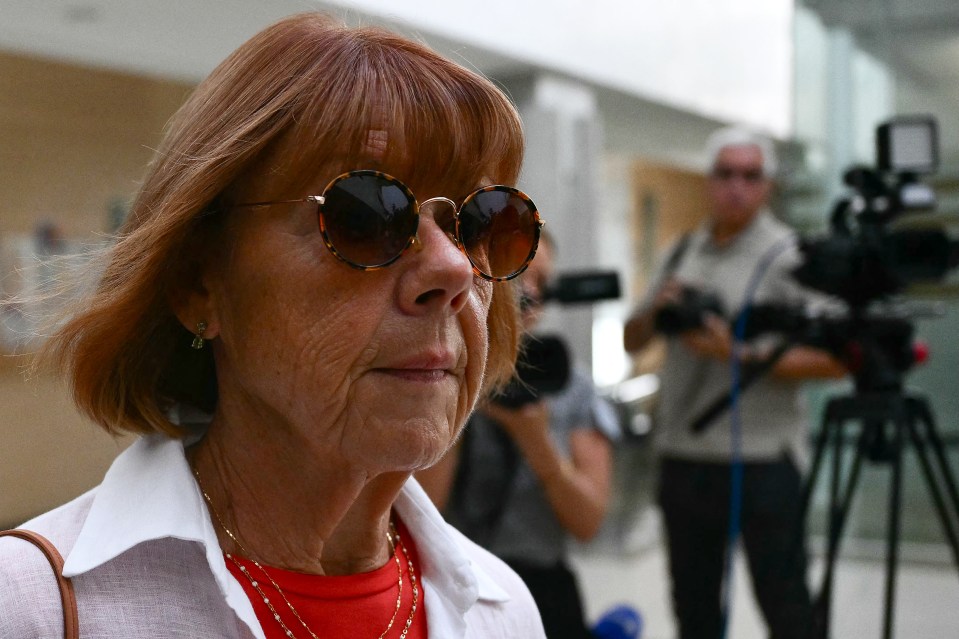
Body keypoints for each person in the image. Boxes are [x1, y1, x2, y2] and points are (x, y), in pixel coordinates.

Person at [0, 13, 549, 638]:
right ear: (199, 283)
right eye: (366, 215)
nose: (453, 267)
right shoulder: (33, 608)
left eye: (478, 225)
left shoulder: (501, 608)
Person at [623, 127, 847, 639]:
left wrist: (739, 352)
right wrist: (659, 309)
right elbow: (632, 341)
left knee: (787, 606)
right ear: (709, 181)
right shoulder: (681, 252)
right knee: (694, 610)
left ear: (767, 185)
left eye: (750, 176)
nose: (736, 187)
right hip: (683, 456)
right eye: (725, 174)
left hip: (764, 462)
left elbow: (838, 359)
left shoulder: (791, 256)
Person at [419, 233, 619, 639]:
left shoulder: (570, 384)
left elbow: (587, 523)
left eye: (543, 283)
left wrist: (535, 441)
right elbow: (426, 506)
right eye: (519, 276)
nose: (529, 292)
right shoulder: (443, 371)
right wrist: (463, 394)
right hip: (455, 584)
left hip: (543, 585)